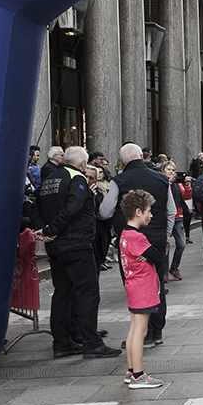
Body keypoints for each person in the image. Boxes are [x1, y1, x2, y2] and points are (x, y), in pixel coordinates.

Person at [30, 146, 120, 359]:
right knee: (88, 293)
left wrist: (44, 230)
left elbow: (34, 208)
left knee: (62, 294)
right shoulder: (76, 178)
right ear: (81, 164)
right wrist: (51, 229)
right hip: (76, 244)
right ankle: (92, 343)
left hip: (57, 247)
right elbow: (73, 207)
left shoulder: (49, 179)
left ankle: (62, 343)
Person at [99, 143, 176, 348]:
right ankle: (157, 330)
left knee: (137, 285)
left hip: (131, 241)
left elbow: (105, 211)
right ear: (142, 156)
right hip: (156, 240)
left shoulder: (118, 181)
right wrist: (164, 236)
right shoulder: (161, 179)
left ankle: (145, 334)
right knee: (157, 282)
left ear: (122, 161)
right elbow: (171, 211)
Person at [118, 189, 164, 388]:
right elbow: (157, 256)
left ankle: (131, 370)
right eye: (148, 211)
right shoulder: (138, 237)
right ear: (138, 212)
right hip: (143, 287)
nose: (150, 215)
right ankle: (138, 375)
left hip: (132, 286)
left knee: (133, 329)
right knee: (141, 332)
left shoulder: (125, 234)